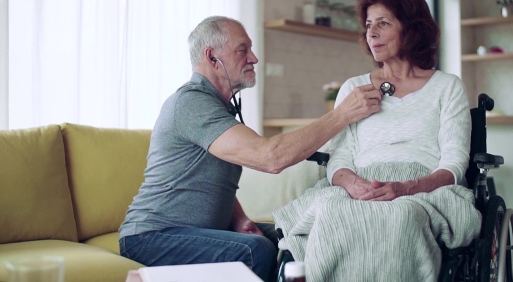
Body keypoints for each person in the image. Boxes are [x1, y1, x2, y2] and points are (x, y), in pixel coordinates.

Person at [118, 16, 382, 282]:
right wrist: (342, 114)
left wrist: (240, 218)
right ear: (212, 58)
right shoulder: (190, 103)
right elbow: (270, 157)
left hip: (201, 231)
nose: (254, 58)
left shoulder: (217, 107)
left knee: (299, 233)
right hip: (152, 236)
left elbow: (207, 177)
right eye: (243, 49)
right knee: (255, 250)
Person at [273, 0, 482, 282]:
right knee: (331, 211)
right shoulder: (354, 88)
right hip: (361, 183)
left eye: (383, 23)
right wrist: (353, 184)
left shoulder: (446, 87)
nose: (372, 33)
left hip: (420, 187)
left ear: (411, 28)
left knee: (402, 217)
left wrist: (405, 188)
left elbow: (454, 163)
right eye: (369, 25)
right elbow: (340, 157)